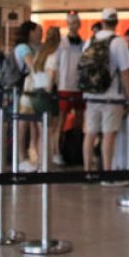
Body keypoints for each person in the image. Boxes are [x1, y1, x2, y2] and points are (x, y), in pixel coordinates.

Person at [82, 8, 129, 180]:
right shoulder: (118, 42)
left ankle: (87, 171)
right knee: (108, 134)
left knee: (90, 133)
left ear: (102, 21)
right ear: (116, 22)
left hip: (90, 94)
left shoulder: (90, 41)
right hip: (111, 96)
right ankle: (107, 173)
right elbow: (125, 73)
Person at [19, 26, 60, 172]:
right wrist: (50, 90)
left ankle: (41, 163)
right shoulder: (53, 55)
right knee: (47, 132)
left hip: (35, 94)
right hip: (46, 96)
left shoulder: (39, 53)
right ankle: (44, 164)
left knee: (41, 130)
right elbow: (51, 76)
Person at [53, 13, 87, 165]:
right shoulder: (61, 44)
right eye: (70, 23)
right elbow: (55, 65)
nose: (73, 26)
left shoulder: (83, 44)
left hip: (79, 86)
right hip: (65, 86)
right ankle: (56, 151)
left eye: (75, 23)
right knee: (61, 120)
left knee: (80, 120)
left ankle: (77, 150)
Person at [13, 21, 41, 165]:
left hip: (33, 88)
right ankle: (21, 156)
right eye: (38, 31)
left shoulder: (36, 47)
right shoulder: (24, 48)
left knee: (34, 122)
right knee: (23, 123)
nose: (40, 34)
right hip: (25, 88)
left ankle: (32, 153)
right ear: (30, 32)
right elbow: (33, 66)